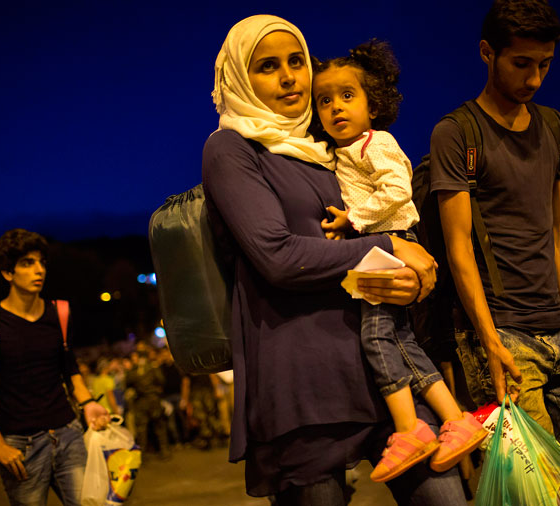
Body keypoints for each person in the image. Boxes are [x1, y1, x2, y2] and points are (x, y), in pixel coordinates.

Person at [203, 14, 465, 504]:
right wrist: (388, 249)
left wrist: (408, 281)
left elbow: (377, 229)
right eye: (267, 67)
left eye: (296, 62)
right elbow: (278, 256)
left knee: (446, 497)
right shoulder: (231, 149)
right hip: (303, 379)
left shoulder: (328, 147)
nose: (288, 77)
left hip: (379, 367)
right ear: (240, 77)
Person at [429, 0, 560, 495]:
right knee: (540, 489)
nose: (535, 78)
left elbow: (555, 229)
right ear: (487, 53)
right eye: (522, 63)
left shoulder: (555, 127)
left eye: (545, 64)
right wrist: (490, 341)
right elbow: (458, 248)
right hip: (504, 334)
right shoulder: (458, 133)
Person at [312, 39, 486, 483]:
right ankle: (455, 419)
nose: (335, 108)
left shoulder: (376, 142)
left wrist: (354, 217)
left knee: (375, 340)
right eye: (324, 100)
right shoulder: (340, 152)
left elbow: (398, 191)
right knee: (403, 342)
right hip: (377, 246)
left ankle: (410, 429)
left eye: (347, 96)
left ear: (374, 104)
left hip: (389, 242)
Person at [0, 228, 109, 506]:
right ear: (8, 273)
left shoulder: (59, 313)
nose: (38, 270)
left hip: (67, 434)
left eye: (41, 262)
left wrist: (88, 403)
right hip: (19, 444)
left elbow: (70, 370)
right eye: (27, 263)